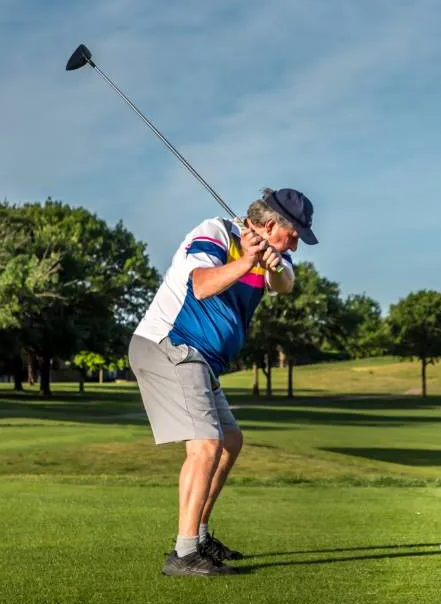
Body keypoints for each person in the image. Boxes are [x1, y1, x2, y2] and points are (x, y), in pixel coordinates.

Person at [128, 187, 317, 577]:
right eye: (293, 234)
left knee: (231, 440)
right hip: (169, 344)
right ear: (269, 224)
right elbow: (201, 285)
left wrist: (270, 261)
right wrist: (248, 258)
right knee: (207, 445)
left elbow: (286, 285)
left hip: (200, 358)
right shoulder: (215, 232)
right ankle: (183, 555)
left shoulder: (272, 256)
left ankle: (198, 536)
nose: (296, 243)